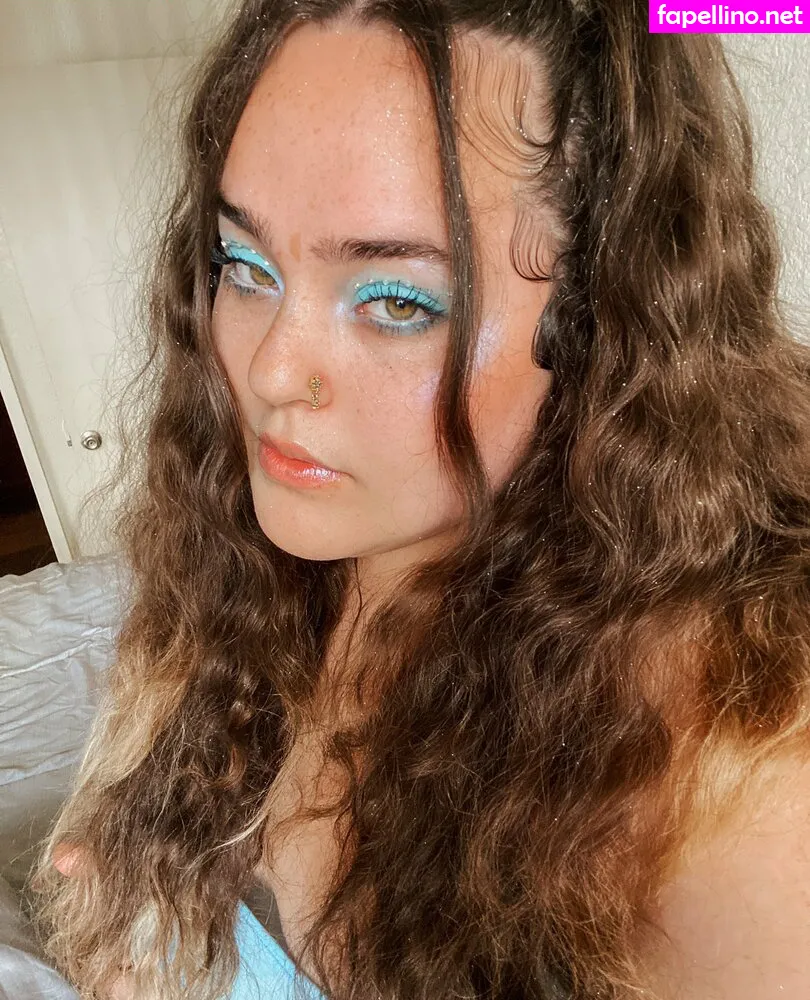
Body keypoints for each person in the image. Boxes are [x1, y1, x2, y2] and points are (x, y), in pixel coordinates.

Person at [27, 0, 810, 998]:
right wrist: (144, 919)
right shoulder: (264, 559)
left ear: (602, 327)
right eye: (245, 265)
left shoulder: (732, 770)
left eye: (396, 300)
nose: (269, 372)